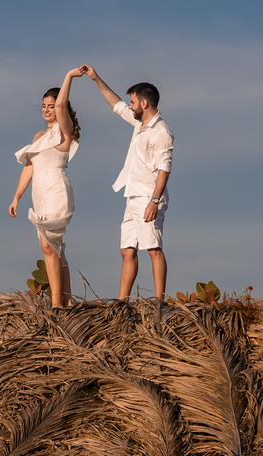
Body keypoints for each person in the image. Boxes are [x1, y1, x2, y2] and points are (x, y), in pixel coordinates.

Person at [80, 65, 173, 301]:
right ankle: (123, 301)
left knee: (153, 248)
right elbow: (116, 105)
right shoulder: (139, 124)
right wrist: (96, 79)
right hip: (132, 195)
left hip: (149, 196)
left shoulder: (161, 131)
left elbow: (164, 170)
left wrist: (154, 201)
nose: (130, 106)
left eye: (133, 102)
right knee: (127, 249)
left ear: (144, 103)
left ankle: (160, 301)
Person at [10, 68, 84, 309]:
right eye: (44, 106)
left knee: (48, 244)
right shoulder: (39, 135)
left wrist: (69, 76)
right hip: (39, 191)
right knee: (55, 248)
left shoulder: (64, 129)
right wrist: (17, 197)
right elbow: (29, 167)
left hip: (56, 187)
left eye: (51, 106)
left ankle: (56, 303)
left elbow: (62, 105)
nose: (47, 109)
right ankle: (67, 300)